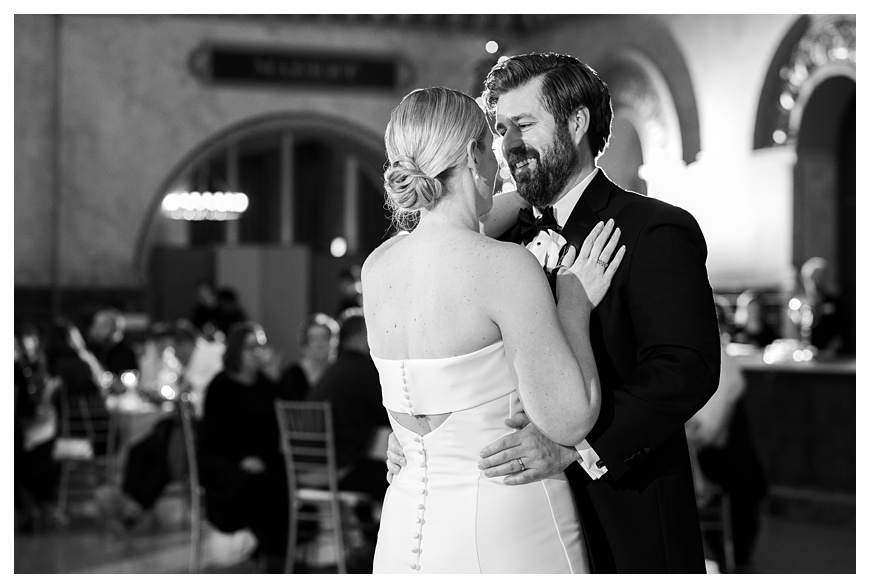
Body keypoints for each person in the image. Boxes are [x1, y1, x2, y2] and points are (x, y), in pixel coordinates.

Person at [387, 53, 721, 573]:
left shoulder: (653, 229)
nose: (509, 145)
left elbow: (687, 369)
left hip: (621, 513)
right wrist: (421, 428)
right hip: (511, 520)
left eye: (523, 125)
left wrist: (577, 447)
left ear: (577, 122)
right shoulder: (496, 240)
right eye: (499, 130)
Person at [364, 86, 625, 573]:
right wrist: (573, 301)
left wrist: (531, 194)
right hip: (506, 526)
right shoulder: (504, 267)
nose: (501, 159)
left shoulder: (377, 266)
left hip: (403, 532)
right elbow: (568, 420)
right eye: (492, 141)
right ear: (472, 154)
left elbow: (467, 221)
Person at [198, 322, 289, 573]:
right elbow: (216, 436)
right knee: (258, 486)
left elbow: (275, 433)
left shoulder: (266, 386)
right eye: (251, 346)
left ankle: (278, 554)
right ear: (236, 350)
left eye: (260, 345)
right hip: (226, 462)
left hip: (262, 460)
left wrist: (263, 459)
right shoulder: (220, 386)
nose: (258, 351)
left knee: (284, 479)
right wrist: (243, 459)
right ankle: (273, 557)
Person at [307, 308, 390, 569]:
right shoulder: (364, 369)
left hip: (305, 467)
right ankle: (377, 553)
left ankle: (367, 543)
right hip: (335, 470)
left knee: (378, 468)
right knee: (398, 476)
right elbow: (389, 415)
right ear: (362, 336)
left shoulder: (334, 369)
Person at [278, 313, 339, 401]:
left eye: (325, 338)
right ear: (304, 343)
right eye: (313, 339)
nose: (320, 344)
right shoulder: (293, 375)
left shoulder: (337, 372)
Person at [87, 308, 139, 378]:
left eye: (108, 326)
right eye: (101, 326)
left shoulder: (126, 353)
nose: (104, 331)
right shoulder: (88, 351)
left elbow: (133, 376)